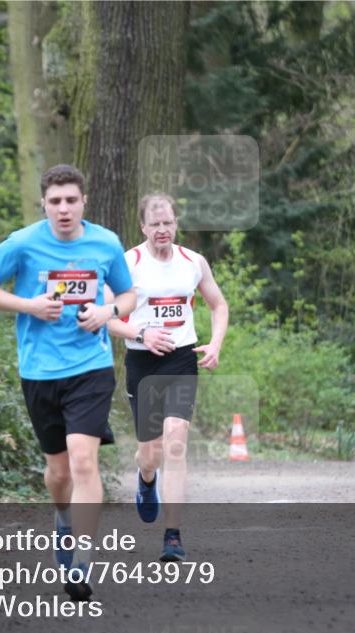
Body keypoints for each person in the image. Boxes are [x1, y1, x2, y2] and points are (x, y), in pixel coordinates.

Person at [0, 164, 136, 600]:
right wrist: (28, 305)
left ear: (84, 202)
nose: (64, 209)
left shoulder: (106, 243)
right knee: (58, 471)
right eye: (55, 201)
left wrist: (107, 313)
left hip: (90, 368)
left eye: (71, 200)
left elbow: (128, 295)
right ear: (43, 204)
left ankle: (82, 562)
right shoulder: (22, 244)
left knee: (84, 461)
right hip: (40, 372)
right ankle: (63, 518)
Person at [106, 193, 228, 562]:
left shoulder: (194, 262)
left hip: (181, 361)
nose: (162, 230)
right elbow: (105, 317)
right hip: (143, 363)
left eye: (168, 223)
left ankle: (172, 535)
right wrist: (140, 335)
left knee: (175, 442)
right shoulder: (127, 263)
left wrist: (215, 344)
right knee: (151, 454)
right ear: (143, 226)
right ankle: (145, 481)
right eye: (155, 224)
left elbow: (218, 305)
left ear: (176, 224)